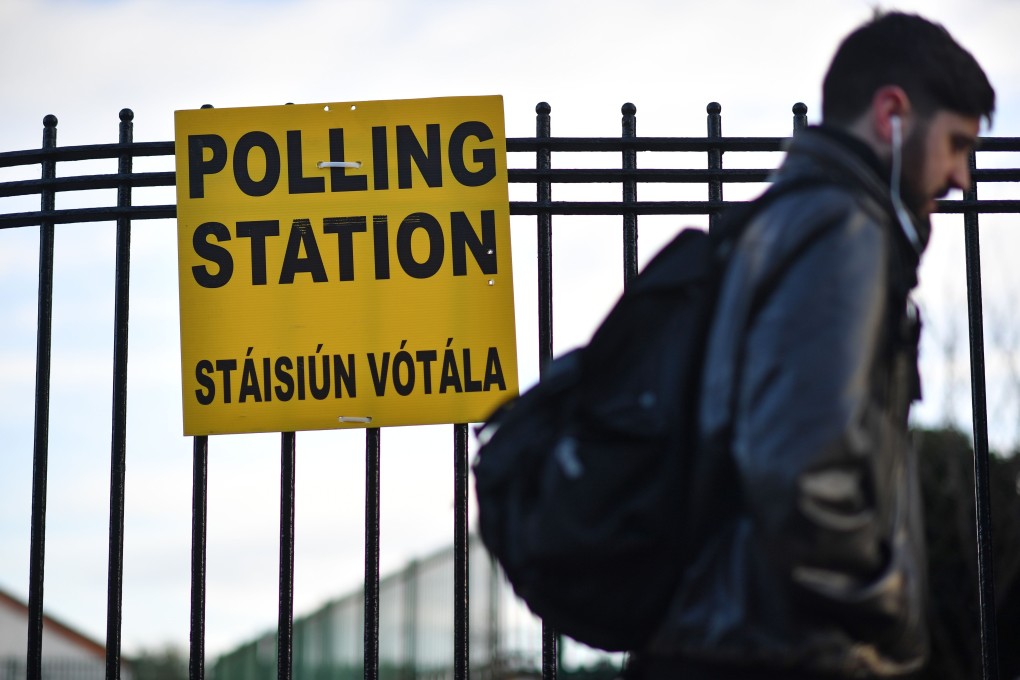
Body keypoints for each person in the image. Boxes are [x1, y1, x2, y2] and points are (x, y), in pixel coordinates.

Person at [627, 11, 996, 679]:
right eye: (957, 143)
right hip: (780, 649)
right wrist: (889, 604)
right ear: (892, 113)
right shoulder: (843, 230)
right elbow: (797, 474)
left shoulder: (786, 219)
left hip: (727, 640)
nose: (962, 176)